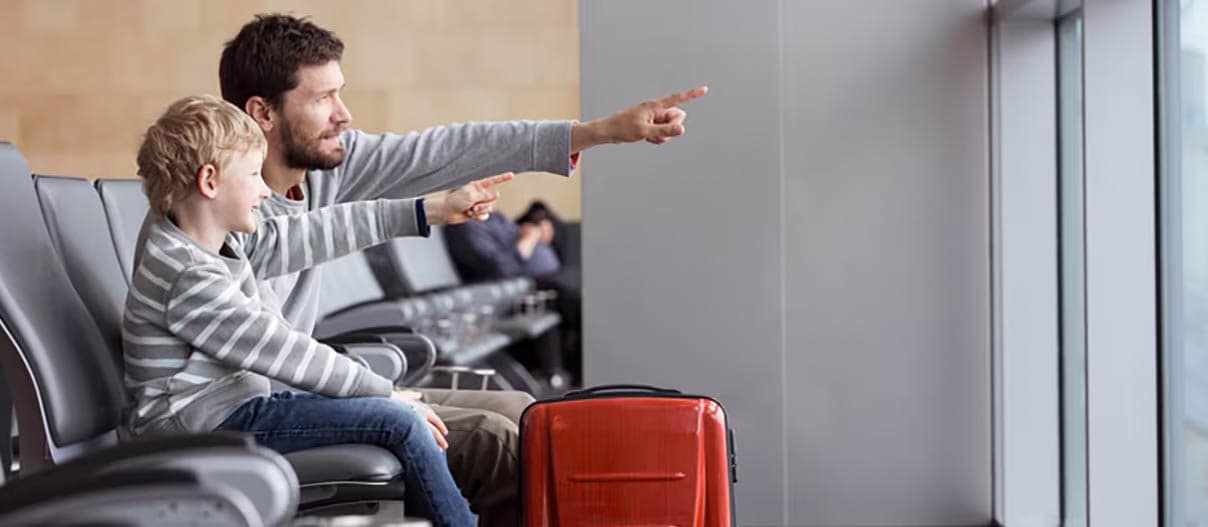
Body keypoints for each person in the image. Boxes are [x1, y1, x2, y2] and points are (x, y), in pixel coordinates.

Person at [137, 13, 705, 525]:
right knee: (502, 441)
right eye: (324, 98)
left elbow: (421, 166)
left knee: (531, 415)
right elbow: (277, 349)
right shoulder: (209, 237)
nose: (345, 114)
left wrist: (594, 133)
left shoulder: (284, 196)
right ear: (262, 112)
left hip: (313, 389)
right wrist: (386, 392)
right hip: (280, 400)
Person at [125, 95, 511, 526]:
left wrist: (426, 210)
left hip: (233, 409)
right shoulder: (187, 273)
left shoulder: (212, 238)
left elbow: (317, 229)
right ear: (210, 182)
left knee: (399, 416)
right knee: (401, 423)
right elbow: (284, 351)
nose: (264, 190)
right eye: (254, 175)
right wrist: (385, 393)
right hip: (199, 429)